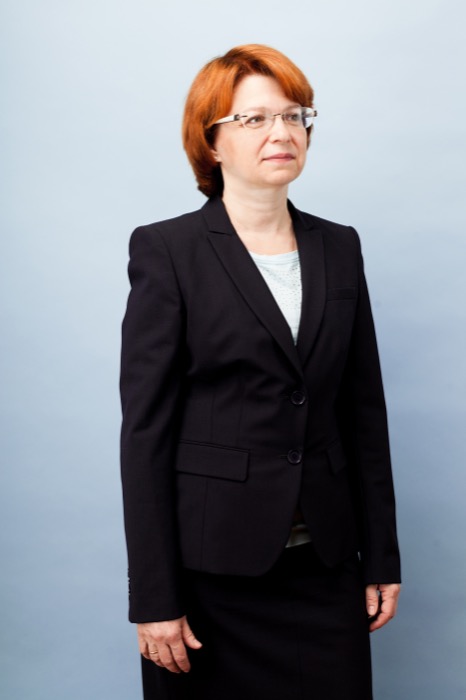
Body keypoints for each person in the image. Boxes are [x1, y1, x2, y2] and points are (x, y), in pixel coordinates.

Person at [120, 44, 401, 700]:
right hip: (211, 575)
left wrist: (382, 555)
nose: (282, 132)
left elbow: (363, 411)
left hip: (326, 567)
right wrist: (154, 596)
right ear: (210, 142)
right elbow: (145, 435)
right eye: (254, 119)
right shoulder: (168, 251)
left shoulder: (340, 246)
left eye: (295, 115)